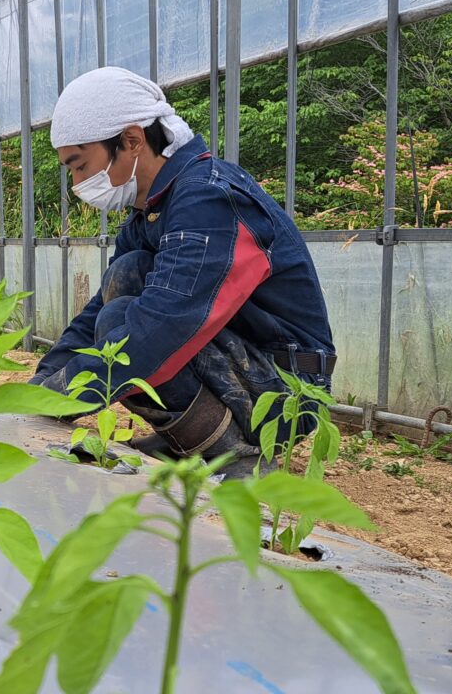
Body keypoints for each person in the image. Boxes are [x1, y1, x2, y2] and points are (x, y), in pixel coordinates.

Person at [31, 66, 335, 463]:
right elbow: (95, 313)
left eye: (81, 166)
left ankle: (235, 454)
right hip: (247, 366)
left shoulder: (207, 199)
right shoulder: (153, 210)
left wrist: (62, 396)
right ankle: (191, 438)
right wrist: (40, 384)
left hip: (288, 390)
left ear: (132, 140)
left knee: (126, 324)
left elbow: (165, 325)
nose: (77, 184)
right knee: (126, 278)